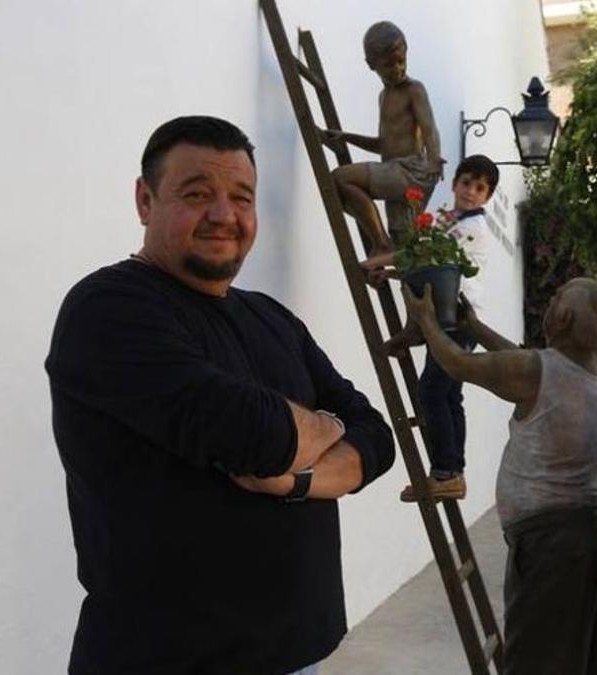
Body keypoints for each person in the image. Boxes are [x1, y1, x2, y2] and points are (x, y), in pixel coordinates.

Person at [45, 116, 395, 675]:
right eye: (197, 194)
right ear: (145, 199)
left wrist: (296, 477)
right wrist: (326, 428)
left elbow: (377, 437)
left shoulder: (272, 318)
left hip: (296, 658)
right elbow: (258, 436)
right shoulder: (107, 308)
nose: (224, 216)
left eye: (241, 197)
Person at [403, 277, 597, 675]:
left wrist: (426, 320)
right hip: (594, 536)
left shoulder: (536, 370)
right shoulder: (596, 368)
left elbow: (458, 364)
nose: (551, 301)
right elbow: (523, 362)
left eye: (556, 296)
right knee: (590, 660)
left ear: (563, 316)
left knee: (537, 662)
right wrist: (475, 327)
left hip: (553, 547)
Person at [359, 154, 498, 500]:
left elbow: (429, 258)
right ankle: (452, 472)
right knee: (448, 395)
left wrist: (377, 261)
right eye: (466, 183)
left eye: (480, 188)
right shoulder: (447, 218)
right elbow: (425, 263)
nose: (470, 191)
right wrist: (391, 274)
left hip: (459, 320)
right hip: (445, 317)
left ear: (488, 197)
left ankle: (446, 472)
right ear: (455, 184)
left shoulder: (472, 227)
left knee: (434, 392)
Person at [321, 20, 443, 257]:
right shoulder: (384, 96)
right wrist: (347, 137)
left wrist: (434, 159)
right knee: (404, 242)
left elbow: (429, 127)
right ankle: (385, 258)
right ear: (371, 65)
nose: (397, 69)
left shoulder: (414, 89)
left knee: (340, 178)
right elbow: (383, 144)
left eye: (401, 61)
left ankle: (380, 244)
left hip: (411, 171)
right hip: (393, 170)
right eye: (389, 65)